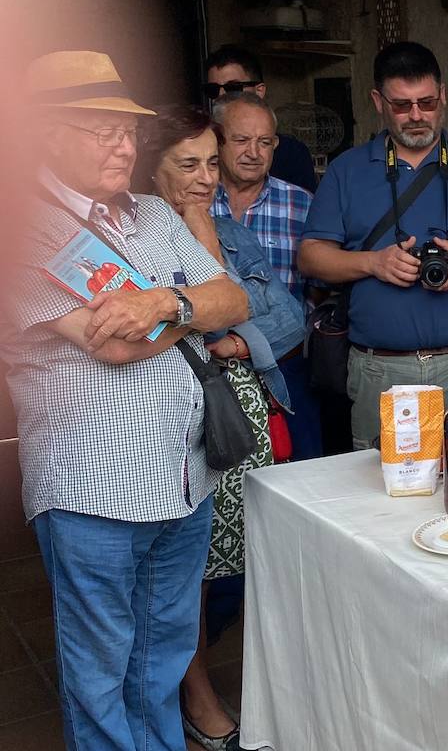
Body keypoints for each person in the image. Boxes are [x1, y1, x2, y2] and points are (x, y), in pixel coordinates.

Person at [4, 51, 249, 750]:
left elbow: (233, 300)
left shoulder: (150, 213)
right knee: (101, 671)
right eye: (100, 128)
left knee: (163, 658)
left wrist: (163, 300)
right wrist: (190, 311)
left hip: (182, 480)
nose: (124, 143)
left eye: (128, 129)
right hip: (93, 494)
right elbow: (114, 345)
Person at [139, 104, 308, 750]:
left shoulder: (230, 234)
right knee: (186, 575)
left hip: (244, 414)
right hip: (174, 424)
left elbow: (285, 314)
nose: (207, 176)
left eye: (212, 162)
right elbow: (191, 322)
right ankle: (196, 697)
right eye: (190, 164)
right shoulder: (134, 239)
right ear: (152, 169)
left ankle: (236, 690)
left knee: (231, 563)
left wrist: (239, 342)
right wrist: (224, 321)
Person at [298, 41, 448, 449]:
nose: (416, 116)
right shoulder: (347, 171)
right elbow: (310, 257)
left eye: (426, 103)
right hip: (380, 370)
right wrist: (374, 263)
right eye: (401, 105)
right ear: (378, 101)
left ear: (443, 96)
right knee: (381, 499)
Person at [209, 91, 322, 459]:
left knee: (297, 478)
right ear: (218, 139)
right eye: (241, 140)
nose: (254, 153)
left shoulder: (303, 204)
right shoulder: (193, 200)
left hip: (286, 363)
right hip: (210, 370)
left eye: (265, 142)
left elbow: (321, 291)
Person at [203, 44, 318, 192]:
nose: (220, 97)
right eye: (212, 90)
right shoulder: (198, 149)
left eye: (233, 88)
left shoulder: (292, 155)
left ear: (259, 91)